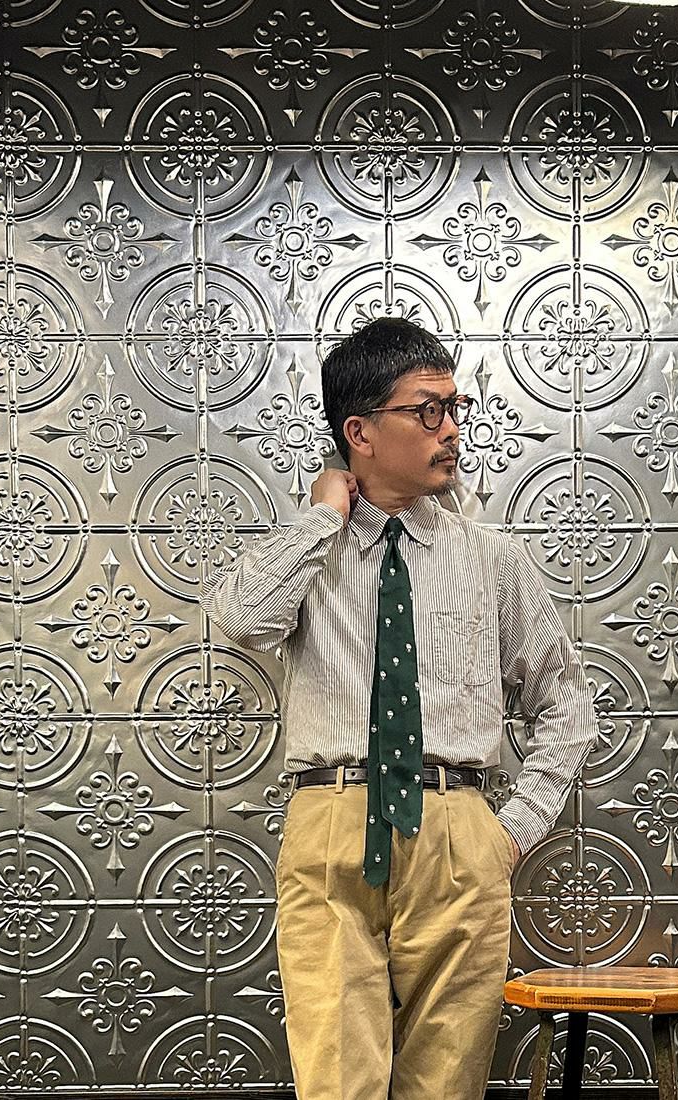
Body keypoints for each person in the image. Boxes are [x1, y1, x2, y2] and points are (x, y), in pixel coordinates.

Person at [199, 317, 602, 1099]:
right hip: (332, 828)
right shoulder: (312, 555)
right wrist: (323, 516)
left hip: (456, 832)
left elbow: (566, 705)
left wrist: (510, 833)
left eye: (454, 408)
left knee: (446, 1086)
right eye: (427, 410)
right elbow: (242, 620)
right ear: (360, 432)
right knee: (336, 1084)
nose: (451, 430)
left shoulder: (491, 559)